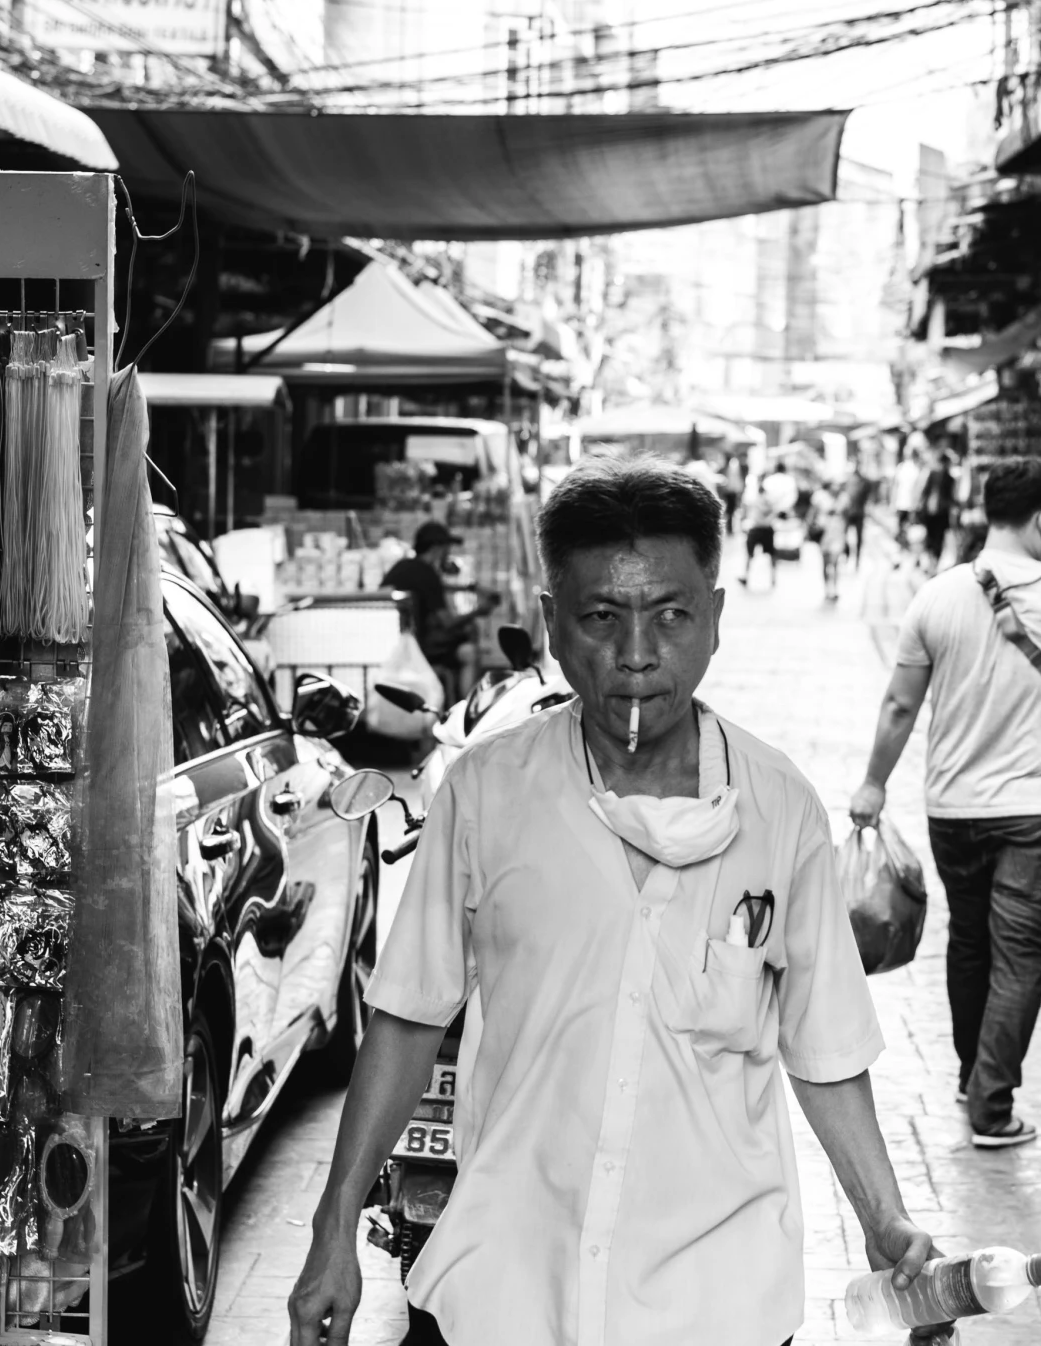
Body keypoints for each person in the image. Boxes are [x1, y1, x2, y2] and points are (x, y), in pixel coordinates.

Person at [288, 457, 934, 1346]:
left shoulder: (780, 810)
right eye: (601, 617)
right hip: (506, 1287)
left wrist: (883, 1219)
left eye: (671, 615)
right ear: (553, 625)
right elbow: (406, 1017)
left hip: (717, 1304)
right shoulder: (485, 793)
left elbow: (822, 1045)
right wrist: (333, 1230)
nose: (636, 654)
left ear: (714, 619)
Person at [850, 457, 1041, 1149]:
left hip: (953, 806)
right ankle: (992, 1104)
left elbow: (899, 703)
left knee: (972, 939)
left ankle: (969, 1075)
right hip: (1036, 810)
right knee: (1020, 955)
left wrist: (873, 782)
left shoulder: (937, 596)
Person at [381, 520, 497, 706]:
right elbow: (447, 622)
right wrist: (478, 612)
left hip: (393, 642)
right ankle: (466, 709)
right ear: (436, 549)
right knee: (469, 650)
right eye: (446, 548)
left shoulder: (404, 567)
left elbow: (439, 587)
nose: (448, 553)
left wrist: (472, 588)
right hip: (418, 647)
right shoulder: (427, 573)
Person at [919, 447, 957, 568]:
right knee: (937, 538)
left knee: (932, 538)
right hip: (939, 512)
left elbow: (925, 491)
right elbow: (951, 497)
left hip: (934, 511)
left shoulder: (937, 474)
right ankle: (933, 562)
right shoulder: (947, 477)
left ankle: (932, 562)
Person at [890, 444, 929, 561]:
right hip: (902, 503)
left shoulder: (918, 468)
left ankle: (913, 554)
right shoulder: (902, 467)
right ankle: (902, 552)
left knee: (912, 530)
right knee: (902, 529)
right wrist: (893, 502)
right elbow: (896, 486)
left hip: (911, 505)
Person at [809, 480, 846, 603]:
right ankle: (826, 589)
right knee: (825, 563)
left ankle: (834, 589)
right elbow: (812, 514)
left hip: (837, 533)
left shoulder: (844, 499)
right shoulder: (820, 498)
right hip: (824, 533)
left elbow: (848, 516)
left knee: (835, 563)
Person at [737, 481, 779, 587]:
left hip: (758, 529)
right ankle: (773, 578)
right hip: (763, 529)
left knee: (751, 554)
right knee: (770, 554)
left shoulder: (756, 501)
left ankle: (747, 576)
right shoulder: (766, 501)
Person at [840, 465, 873, 565]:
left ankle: (853, 557)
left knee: (850, 536)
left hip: (855, 512)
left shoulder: (856, 482)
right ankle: (852, 556)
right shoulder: (851, 482)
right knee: (850, 536)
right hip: (854, 512)